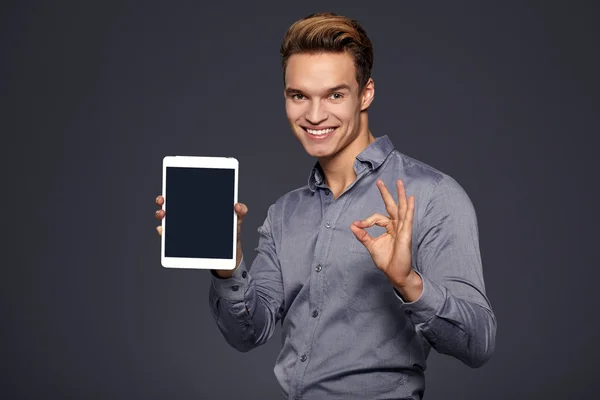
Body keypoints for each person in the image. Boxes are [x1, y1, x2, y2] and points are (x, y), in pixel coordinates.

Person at [154, 12, 496, 400]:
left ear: (365, 93)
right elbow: (249, 333)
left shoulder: (432, 194)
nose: (314, 116)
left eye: (335, 94)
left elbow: (478, 343)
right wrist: (226, 265)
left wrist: (408, 282)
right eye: (299, 95)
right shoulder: (284, 214)